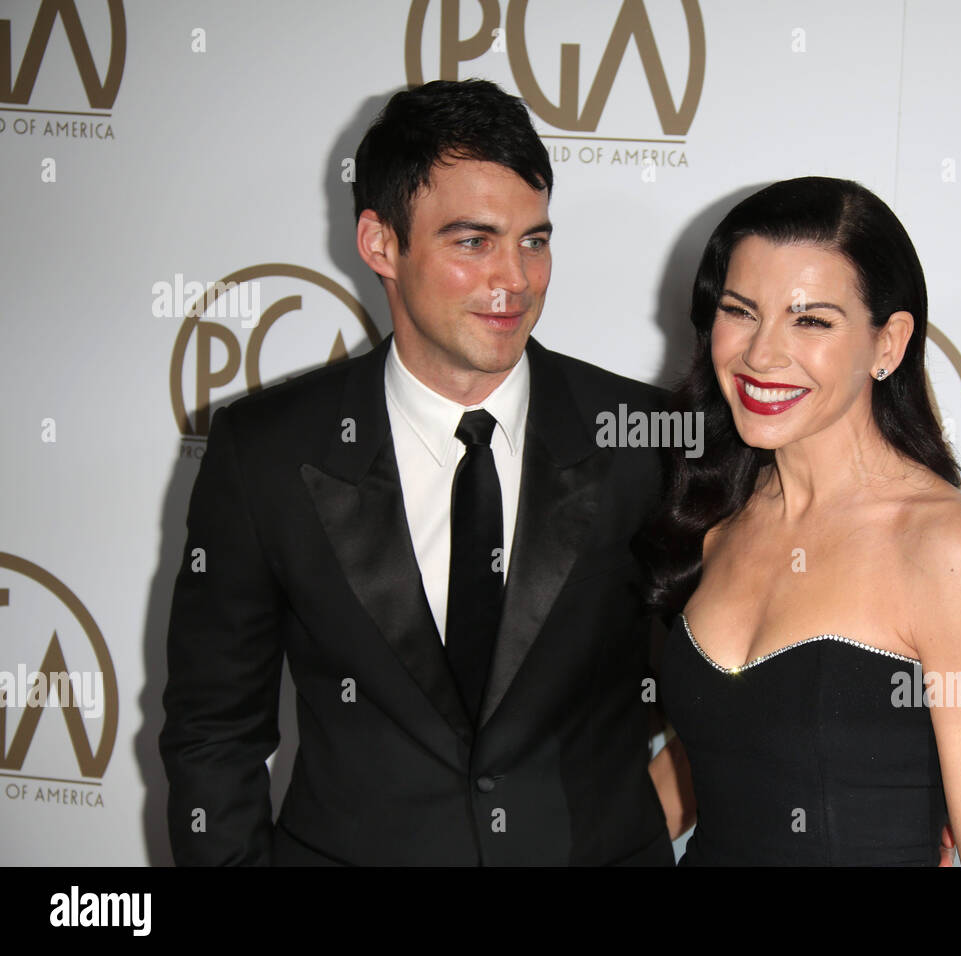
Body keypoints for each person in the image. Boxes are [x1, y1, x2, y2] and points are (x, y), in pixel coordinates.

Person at [159, 79, 674, 865]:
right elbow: (212, 731)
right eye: (474, 242)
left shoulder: (647, 440)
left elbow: (729, 694)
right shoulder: (265, 451)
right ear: (380, 243)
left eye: (534, 240)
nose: (516, 280)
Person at [641, 177, 961, 865]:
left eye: (811, 320)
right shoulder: (716, 519)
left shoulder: (947, 549)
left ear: (888, 344)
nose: (762, 354)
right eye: (741, 311)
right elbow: (718, 760)